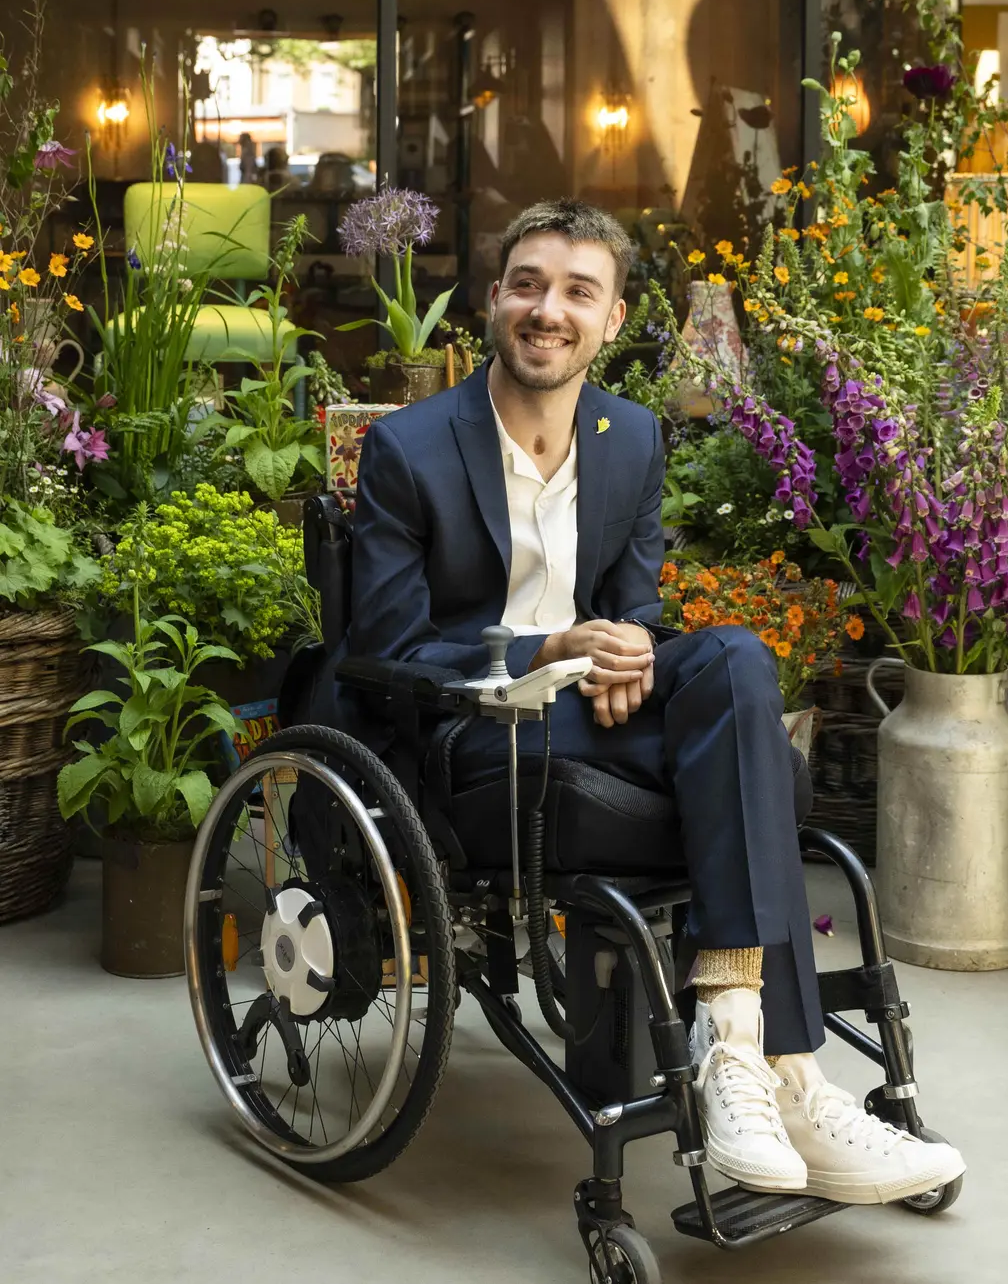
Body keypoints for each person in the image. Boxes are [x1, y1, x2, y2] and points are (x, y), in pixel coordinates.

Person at [346, 198, 965, 1206]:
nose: (549, 310)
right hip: (479, 731)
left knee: (728, 660)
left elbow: (631, 605)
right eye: (529, 285)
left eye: (577, 292)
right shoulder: (409, 448)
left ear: (613, 318)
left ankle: (747, 1051)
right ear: (495, 300)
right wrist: (554, 642)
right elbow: (389, 647)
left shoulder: (628, 437)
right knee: (748, 746)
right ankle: (790, 1078)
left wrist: (631, 641)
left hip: (598, 710)